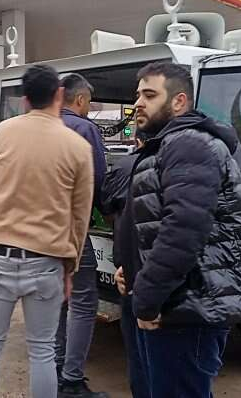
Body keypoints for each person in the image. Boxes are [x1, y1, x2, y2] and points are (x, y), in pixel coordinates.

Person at [128, 62, 241, 397]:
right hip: (179, 301)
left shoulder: (189, 144)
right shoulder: (168, 144)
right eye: (138, 95)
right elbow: (157, 222)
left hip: (191, 306)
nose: (138, 103)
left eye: (149, 95)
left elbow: (183, 231)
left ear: (179, 102)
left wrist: (147, 298)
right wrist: (134, 271)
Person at [0, 65, 94, 398]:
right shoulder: (77, 146)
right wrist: (71, 267)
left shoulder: (3, 132)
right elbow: (79, 217)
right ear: (59, 95)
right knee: (42, 351)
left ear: (24, 99)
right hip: (46, 259)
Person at [54, 74, 109, 398]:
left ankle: (56, 369)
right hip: (72, 230)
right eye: (89, 102)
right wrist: (109, 214)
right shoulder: (84, 129)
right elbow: (98, 181)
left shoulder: (41, 126)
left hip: (39, 233)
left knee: (59, 299)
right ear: (80, 100)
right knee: (84, 300)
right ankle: (71, 381)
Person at [102, 131, 149, 398]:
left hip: (128, 268)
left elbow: (105, 204)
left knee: (136, 351)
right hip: (159, 276)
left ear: (136, 142)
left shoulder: (124, 166)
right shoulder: (180, 167)